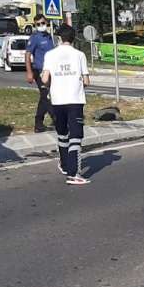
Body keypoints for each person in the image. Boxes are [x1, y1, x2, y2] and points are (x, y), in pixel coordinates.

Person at [41, 24, 91, 185]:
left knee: (62, 134)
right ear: (73, 38)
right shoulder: (80, 55)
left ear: (59, 38)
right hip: (75, 100)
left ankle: (63, 165)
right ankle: (73, 173)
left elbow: (44, 79)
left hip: (57, 100)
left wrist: (53, 85)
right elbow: (87, 81)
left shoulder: (50, 54)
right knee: (75, 136)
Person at [24, 14, 56, 132]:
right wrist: (29, 72)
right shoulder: (34, 38)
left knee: (47, 97)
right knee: (45, 95)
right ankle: (53, 119)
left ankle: (40, 123)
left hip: (50, 71)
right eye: (38, 24)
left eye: (42, 23)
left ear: (46, 23)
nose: (41, 26)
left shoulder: (49, 36)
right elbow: (27, 55)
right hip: (39, 71)